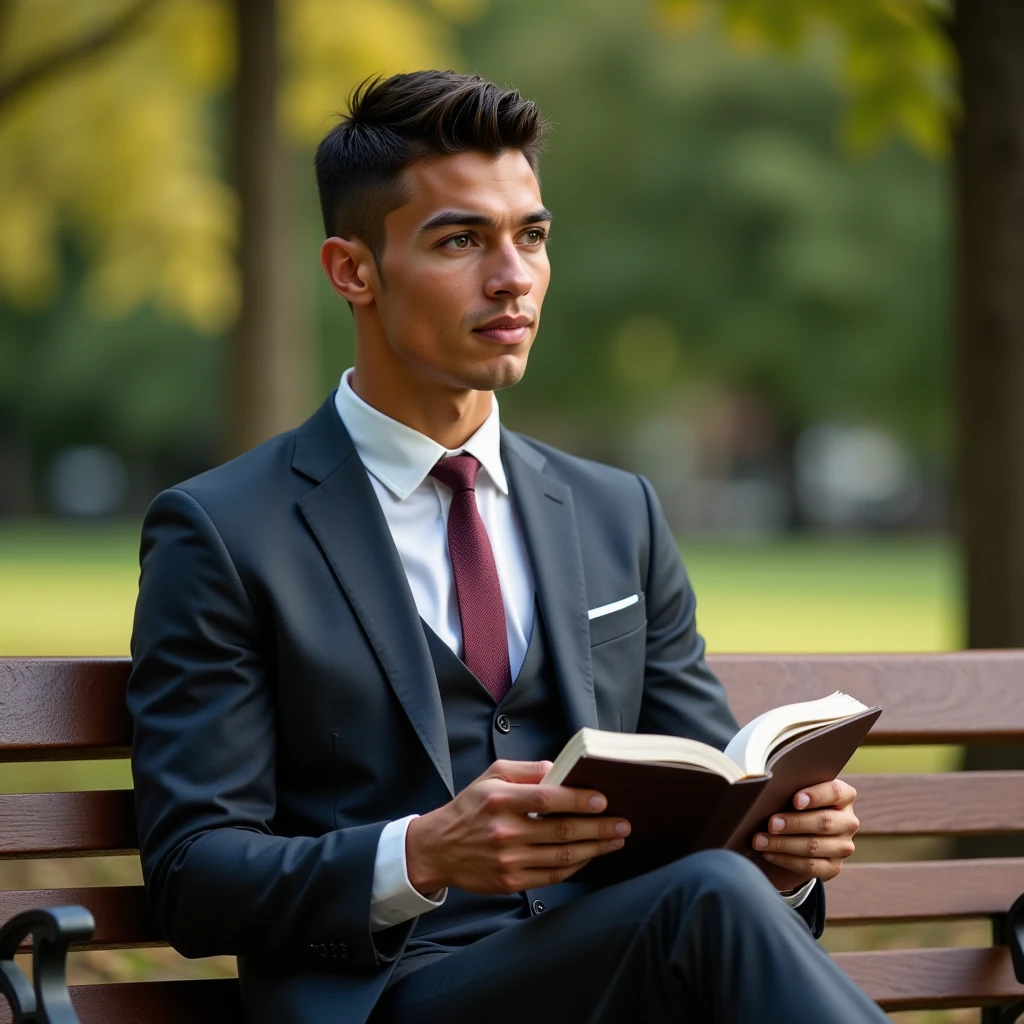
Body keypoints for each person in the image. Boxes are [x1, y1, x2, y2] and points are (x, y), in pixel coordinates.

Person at [126, 70, 887, 1024]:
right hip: (389, 997)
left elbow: (706, 798)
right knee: (708, 904)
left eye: (531, 235)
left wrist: (780, 857)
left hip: (620, 978)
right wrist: (422, 854)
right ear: (352, 269)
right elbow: (195, 875)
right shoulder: (225, 531)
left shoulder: (619, 513)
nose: (513, 276)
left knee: (720, 891)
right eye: (461, 240)